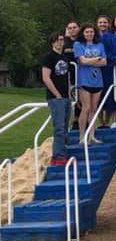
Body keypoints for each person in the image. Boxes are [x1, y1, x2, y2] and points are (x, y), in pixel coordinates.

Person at [73, 24, 107, 144]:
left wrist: (90, 61)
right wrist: (97, 59)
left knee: (94, 109)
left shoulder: (100, 45)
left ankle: (92, 135)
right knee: (86, 108)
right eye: (87, 32)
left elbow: (104, 62)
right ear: (83, 33)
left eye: (91, 32)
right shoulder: (78, 45)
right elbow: (81, 60)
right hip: (84, 80)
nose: (89, 34)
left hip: (97, 81)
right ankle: (82, 136)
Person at [41, 32, 71, 166]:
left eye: (62, 40)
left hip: (66, 97)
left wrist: (69, 94)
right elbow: (46, 78)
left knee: (64, 128)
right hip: (55, 98)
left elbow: (66, 77)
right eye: (57, 40)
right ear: (52, 42)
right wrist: (57, 94)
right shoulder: (48, 57)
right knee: (58, 127)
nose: (60, 42)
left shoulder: (64, 57)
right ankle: (58, 157)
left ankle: (62, 153)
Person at [96, 16, 116, 127]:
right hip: (96, 70)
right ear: (97, 24)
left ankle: (109, 121)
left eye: (105, 22)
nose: (102, 24)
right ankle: (101, 122)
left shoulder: (112, 37)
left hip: (109, 69)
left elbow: (115, 52)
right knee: (97, 96)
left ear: (109, 24)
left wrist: (108, 59)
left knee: (110, 95)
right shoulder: (93, 36)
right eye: (100, 22)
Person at [63, 20, 81, 129]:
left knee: (81, 99)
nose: (72, 29)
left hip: (81, 73)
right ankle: (71, 122)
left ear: (78, 29)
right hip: (68, 74)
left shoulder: (82, 41)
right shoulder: (64, 42)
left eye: (74, 27)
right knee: (70, 98)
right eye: (70, 28)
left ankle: (79, 121)